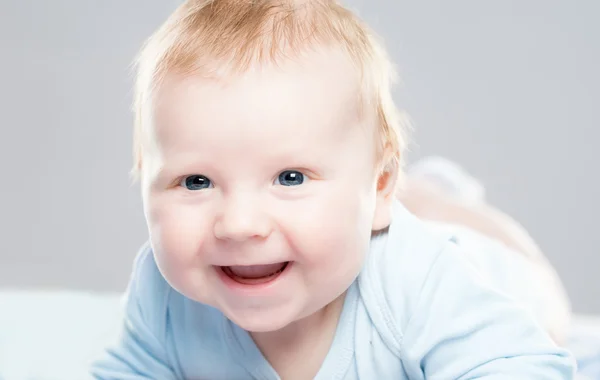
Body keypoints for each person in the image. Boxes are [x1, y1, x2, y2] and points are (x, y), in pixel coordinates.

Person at [90, 1, 576, 378]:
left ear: (379, 184)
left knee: (547, 302)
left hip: (486, 266)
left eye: (290, 177)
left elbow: (523, 364)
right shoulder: (161, 294)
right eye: (196, 181)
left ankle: (434, 198)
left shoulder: (416, 279)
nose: (239, 224)